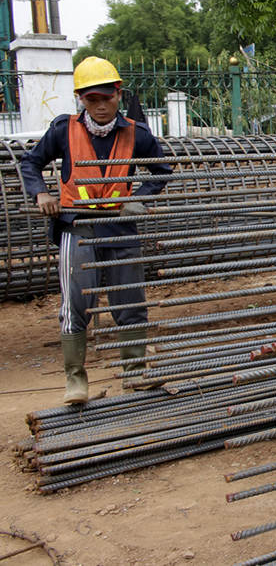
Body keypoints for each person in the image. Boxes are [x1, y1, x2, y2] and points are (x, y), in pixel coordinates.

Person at [19, 56, 171, 406]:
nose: (101, 106)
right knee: (76, 302)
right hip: (78, 228)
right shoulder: (63, 130)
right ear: (81, 99)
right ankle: (75, 379)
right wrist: (40, 192)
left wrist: (139, 199)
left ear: (119, 94)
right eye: (92, 99)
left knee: (130, 300)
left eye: (107, 98)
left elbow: (161, 171)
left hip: (119, 229)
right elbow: (31, 162)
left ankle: (135, 373)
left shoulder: (138, 133)